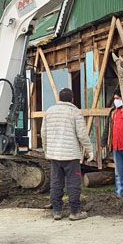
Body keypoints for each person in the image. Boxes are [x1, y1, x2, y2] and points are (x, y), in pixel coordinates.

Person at [41, 88, 94, 221]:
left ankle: (57, 212)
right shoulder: (75, 112)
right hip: (71, 155)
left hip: (54, 155)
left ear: (58, 98)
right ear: (72, 99)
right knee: (73, 184)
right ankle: (75, 212)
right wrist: (90, 150)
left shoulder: (49, 111)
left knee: (56, 183)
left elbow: (43, 133)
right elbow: (82, 134)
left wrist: (47, 150)